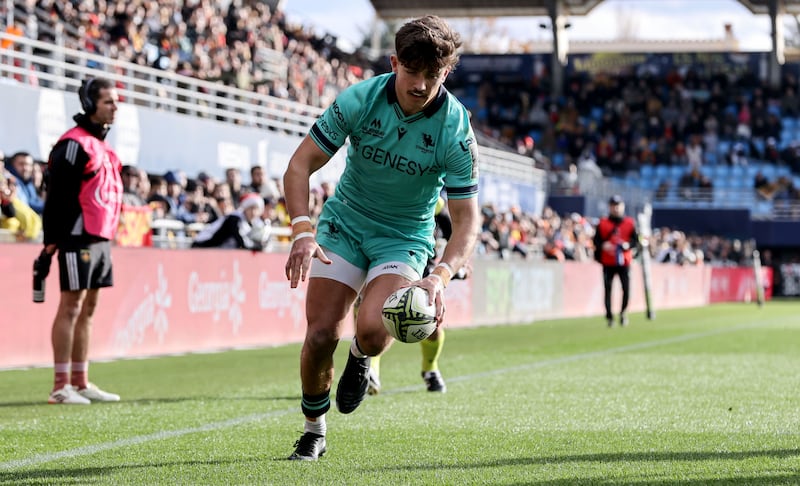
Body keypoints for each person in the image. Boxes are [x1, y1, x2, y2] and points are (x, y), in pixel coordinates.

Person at [282, 15, 481, 461]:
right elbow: (299, 166)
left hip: (404, 236)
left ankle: (361, 356)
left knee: (374, 331)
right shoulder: (360, 98)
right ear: (394, 62)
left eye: (433, 76)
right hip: (345, 223)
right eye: (412, 72)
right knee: (318, 335)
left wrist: (439, 276)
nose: (421, 85)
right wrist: (300, 230)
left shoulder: (455, 128)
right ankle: (314, 430)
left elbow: (467, 219)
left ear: (446, 73)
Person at [40, 76, 124, 404]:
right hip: (77, 236)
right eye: (108, 101)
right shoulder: (73, 144)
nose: (115, 107)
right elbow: (57, 196)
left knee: (88, 308)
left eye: (116, 101)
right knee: (71, 306)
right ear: (90, 105)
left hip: (100, 237)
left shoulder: (104, 147)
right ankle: (61, 385)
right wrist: (51, 241)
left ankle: (81, 379)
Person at [366, 196, 471, 395]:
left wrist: (456, 267)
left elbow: (454, 237)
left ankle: (430, 369)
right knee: (379, 316)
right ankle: (371, 371)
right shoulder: (387, 198)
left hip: (422, 269)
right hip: (389, 259)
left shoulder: (439, 211)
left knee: (432, 325)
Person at [593, 195, 639, 327]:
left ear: (623, 206)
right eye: (613, 205)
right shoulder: (602, 223)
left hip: (624, 262)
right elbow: (596, 240)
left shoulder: (630, 223)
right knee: (608, 289)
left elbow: (635, 241)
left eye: (618, 205)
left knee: (626, 289)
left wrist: (627, 246)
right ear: (609, 207)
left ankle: (623, 313)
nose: (616, 208)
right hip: (608, 262)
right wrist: (603, 245)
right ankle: (609, 316)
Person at [191, 192, 270, 250]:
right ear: (245, 208)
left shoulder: (253, 223)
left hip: (216, 250)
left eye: (256, 209)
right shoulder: (234, 219)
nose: (253, 212)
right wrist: (257, 246)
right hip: (202, 246)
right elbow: (242, 242)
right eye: (250, 208)